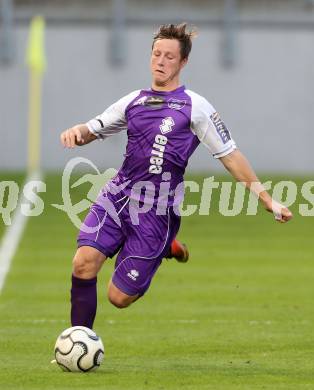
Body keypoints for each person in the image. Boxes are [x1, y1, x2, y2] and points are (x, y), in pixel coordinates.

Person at [60, 23, 292, 329]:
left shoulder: (195, 107)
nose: (160, 61)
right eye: (157, 54)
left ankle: (164, 246)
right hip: (117, 196)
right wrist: (78, 131)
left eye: (169, 56)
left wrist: (266, 199)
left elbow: (231, 155)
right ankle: (79, 339)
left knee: (118, 297)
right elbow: (94, 128)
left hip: (156, 212)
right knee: (83, 263)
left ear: (183, 62)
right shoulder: (133, 101)